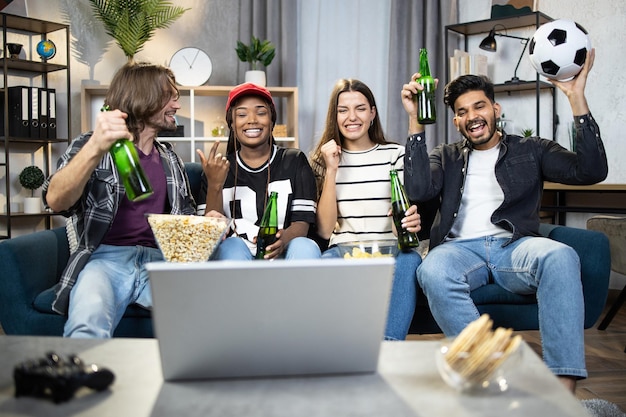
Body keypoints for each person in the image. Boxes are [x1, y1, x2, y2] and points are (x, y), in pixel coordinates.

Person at [401, 50, 606, 392]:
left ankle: (563, 385)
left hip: (515, 246)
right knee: (432, 270)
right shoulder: (445, 156)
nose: (472, 117)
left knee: (560, 255)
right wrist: (415, 120)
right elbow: (418, 188)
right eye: (462, 112)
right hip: (458, 250)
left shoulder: (532, 149)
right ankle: (489, 369)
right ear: (455, 122)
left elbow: (591, 171)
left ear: (496, 109)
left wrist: (576, 98)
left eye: (479, 106)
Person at [42, 62, 196, 338]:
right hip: (105, 259)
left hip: (160, 263)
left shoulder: (171, 159)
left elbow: (185, 224)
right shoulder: (92, 145)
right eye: (171, 97)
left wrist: (207, 224)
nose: (177, 105)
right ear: (145, 98)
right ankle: (82, 380)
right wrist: (96, 147)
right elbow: (55, 201)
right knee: (87, 322)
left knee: (205, 319)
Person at [310, 78, 423, 341]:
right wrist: (332, 169)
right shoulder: (322, 160)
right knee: (321, 267)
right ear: (334, 116)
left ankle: (389, 346)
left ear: (372, 113)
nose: (352, 117)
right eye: (343, 110)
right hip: (343, 250)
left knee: (411, 260)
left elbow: (402, 222)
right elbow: (326, 230)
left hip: (392, 249)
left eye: (360, 108)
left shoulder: (395, 154)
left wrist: (405, 220)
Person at [197, 83, 320, 260]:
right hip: (236, 258)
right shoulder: (216, 168)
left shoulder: (294, 160)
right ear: (231, 124)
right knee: (231, 245)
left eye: (261, 112)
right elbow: (209, 234)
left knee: (305, 245)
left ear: (272, 121)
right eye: (241, 114)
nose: (252, 119)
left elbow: (301, 224)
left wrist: (281, 241)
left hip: (283, 255)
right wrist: (215, 184)